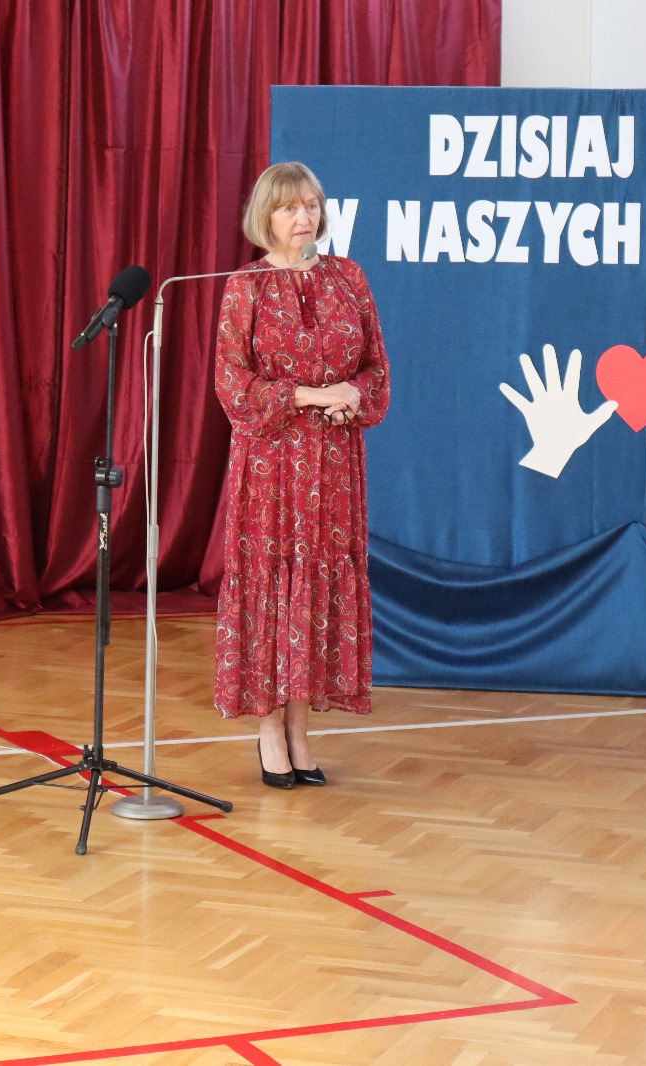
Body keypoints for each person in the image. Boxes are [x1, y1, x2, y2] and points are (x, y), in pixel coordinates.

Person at [212, 161, 391, 789]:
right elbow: (232, 385)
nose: (304, 217)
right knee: (273, 583)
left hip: (335, 465)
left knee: (316, 585)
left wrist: (353, 396)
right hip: (271, 465)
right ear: (266, 215)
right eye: (290, 207)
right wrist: (312, 396)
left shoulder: (349, 277)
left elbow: (376, 368)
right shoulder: (246, 286)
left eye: (312, 205)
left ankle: (300, 730)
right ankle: (269, 729)